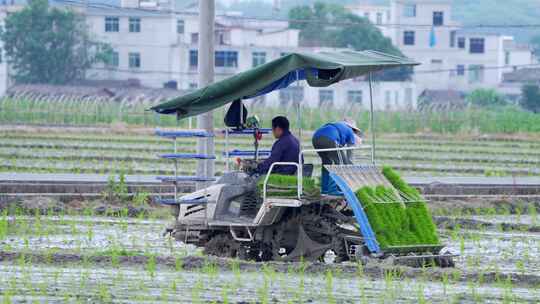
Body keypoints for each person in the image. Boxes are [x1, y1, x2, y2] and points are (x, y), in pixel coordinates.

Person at [312, 118, 362, 194]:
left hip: (316, 138)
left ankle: (325, 189)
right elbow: (349, 158)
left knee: (326, 164)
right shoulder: (350, 132)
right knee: (339, 164)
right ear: (352, 129)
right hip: (330, 139)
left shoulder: (336, 126)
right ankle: (333, 190)